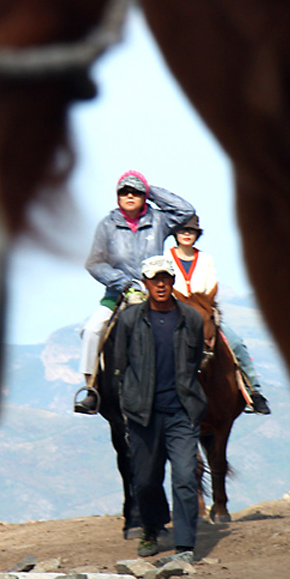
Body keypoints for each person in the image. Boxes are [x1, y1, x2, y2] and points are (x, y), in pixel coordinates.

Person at [75, 171, 195, 414]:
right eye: (124, 192)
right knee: (92, 330)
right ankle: (91, 389)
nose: (130, 196)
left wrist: (152, 190)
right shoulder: (107, 225)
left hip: (157, 292)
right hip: (117, 293)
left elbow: (186, 212)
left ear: (144, 196)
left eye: (136, 192)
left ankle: (191, 384)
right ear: (117, 196)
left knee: (191, 326)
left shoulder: (160, 220)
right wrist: (123, 283)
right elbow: (94, 262)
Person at [114, 255, 207, 561]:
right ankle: (152, 528)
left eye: (165, 278)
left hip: (181, 411)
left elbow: (193, 363)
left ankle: (184, 545)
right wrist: (130, 403)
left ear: (173, 281)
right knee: (145, 480)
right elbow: (121, 364)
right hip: (144, 415)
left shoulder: (191, 319)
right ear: (145, 283)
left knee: (184, 477)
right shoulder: (129, 320)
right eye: (155, 279)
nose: (161, 284)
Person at [166, 215, 271, 415]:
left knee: (236, 343)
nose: (187, 234)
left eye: (191, 231)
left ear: (197, 234)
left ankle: (253, 392)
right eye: (182, 230)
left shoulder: (205, 259)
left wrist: (200, 304)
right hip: (176, 315)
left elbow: (210, 285)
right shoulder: (167, 258)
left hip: (205, 312)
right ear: (175, 234)